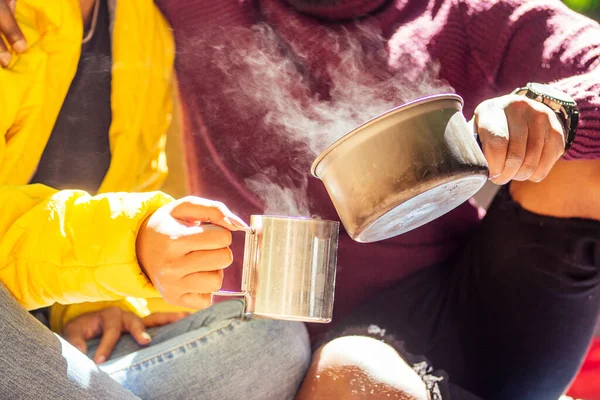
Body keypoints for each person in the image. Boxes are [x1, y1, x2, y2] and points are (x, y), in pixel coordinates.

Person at [148, 0, 600, 399]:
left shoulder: (463, 11)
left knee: (587, 162)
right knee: (355, 375)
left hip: (470, 307)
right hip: (308, 337)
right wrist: (116, 269)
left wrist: (557, 109)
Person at [0, 1, 310, 399]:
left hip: (42, 333)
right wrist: (130, 242)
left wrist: (93, 304)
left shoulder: (144, 27)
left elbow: (127, 185)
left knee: (272, 339)